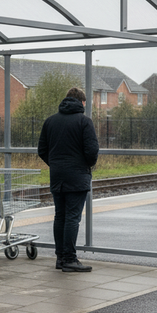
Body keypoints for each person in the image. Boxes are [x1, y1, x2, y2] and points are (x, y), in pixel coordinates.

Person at [37, 87, 100, 273]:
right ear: (82, 102)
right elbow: (92, 151)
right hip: (77, 176)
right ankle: (70, 259)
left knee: (60, 216)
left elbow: (42, 150)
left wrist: (56, 164)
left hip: (57, 175)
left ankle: (60, 258)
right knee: (72, 217)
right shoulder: (84, 122)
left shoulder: (50, 121)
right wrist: (85, 166)